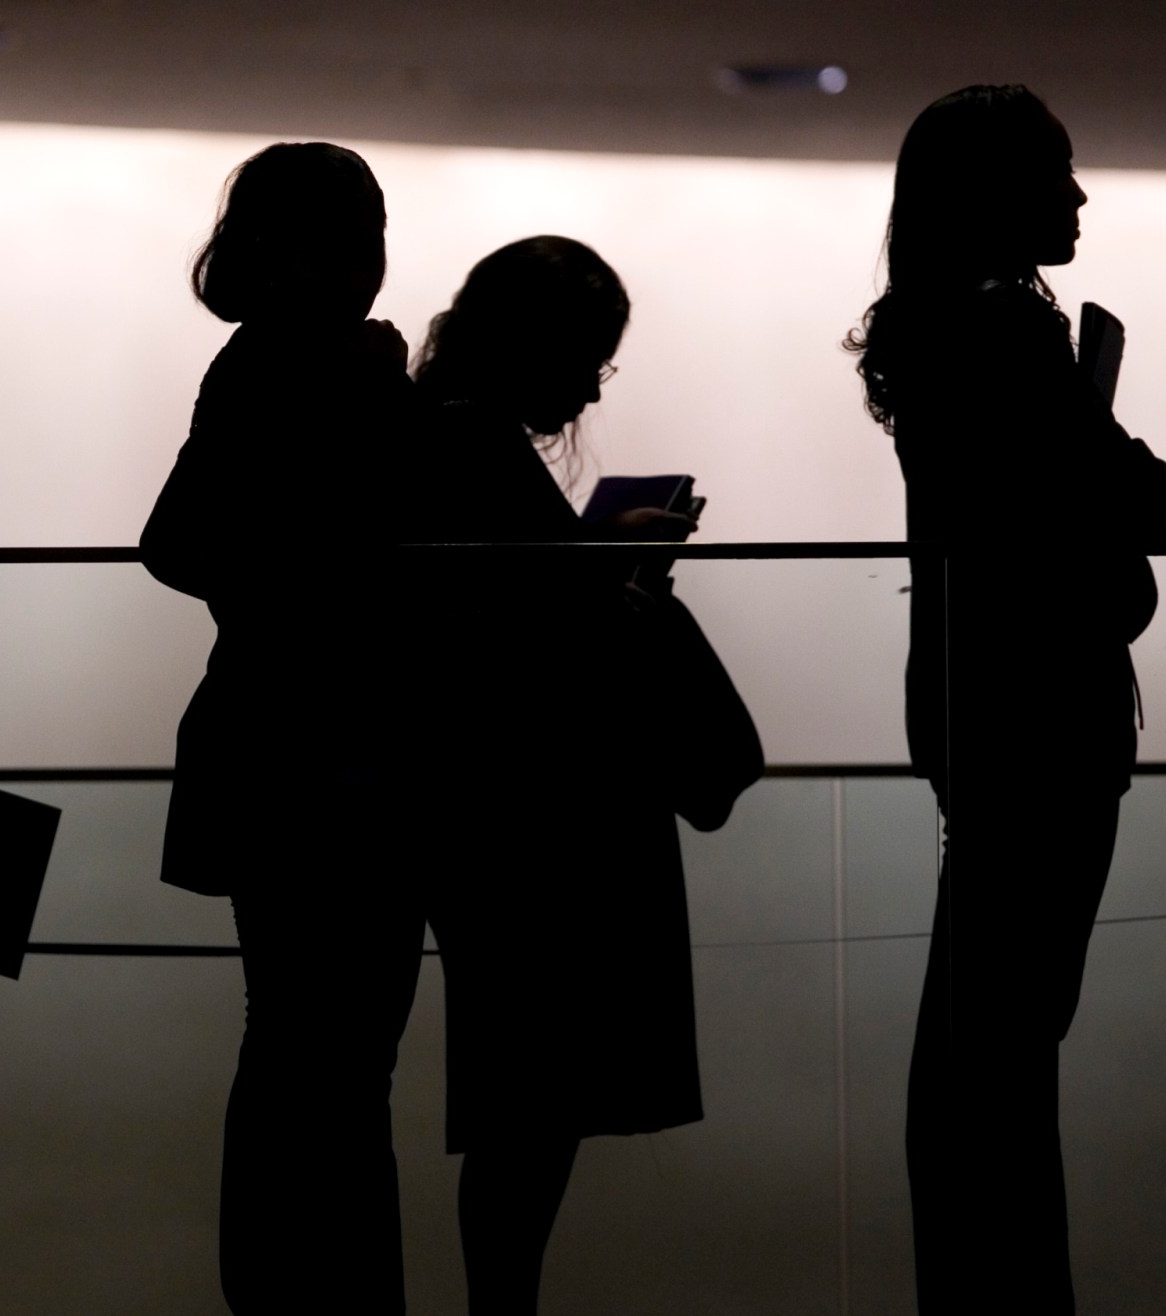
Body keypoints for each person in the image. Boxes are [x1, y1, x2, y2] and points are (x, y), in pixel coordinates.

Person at [845, 84, 1166, 1313]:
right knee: (1004, 1046)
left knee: (980, 1044)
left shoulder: (933, 331)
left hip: (976, 708)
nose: (1077, 195)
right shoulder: (1005, 335)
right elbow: (1134, 498)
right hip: (1044, 714)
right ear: (997, 194)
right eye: (1055, 171)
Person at [407, 236, 759, 1314]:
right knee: (532, 1115)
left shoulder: (434, 437)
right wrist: (605, 572)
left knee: (523, 1111)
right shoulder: (469, 445)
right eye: (589, 358)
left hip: (499, 814)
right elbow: (515, 634)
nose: (590, 385)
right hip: (539, 826)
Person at [140, 141, 420, 1313]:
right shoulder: (332, 366)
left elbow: (176, 542)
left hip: (268, 744)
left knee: (296, 1049)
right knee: (339, 1063)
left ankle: (281, 1290)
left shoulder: (247, 362)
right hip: (342, 755)